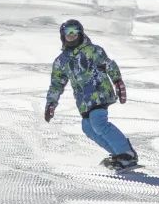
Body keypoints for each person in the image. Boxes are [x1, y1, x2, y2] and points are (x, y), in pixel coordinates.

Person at [44, 19, 138, 170]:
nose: (72, 35)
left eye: (75, 31)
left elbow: (109, 65)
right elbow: (56, 84)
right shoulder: (61, 61)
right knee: (87, 127)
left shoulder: (93, 50)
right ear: (63, 35)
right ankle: (118, 154)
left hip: (100, 92)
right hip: (84, 101)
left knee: (98, 122)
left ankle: (126, 153)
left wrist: (117, 81)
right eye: (68, 32)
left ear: (81, 33)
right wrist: (51, 103)